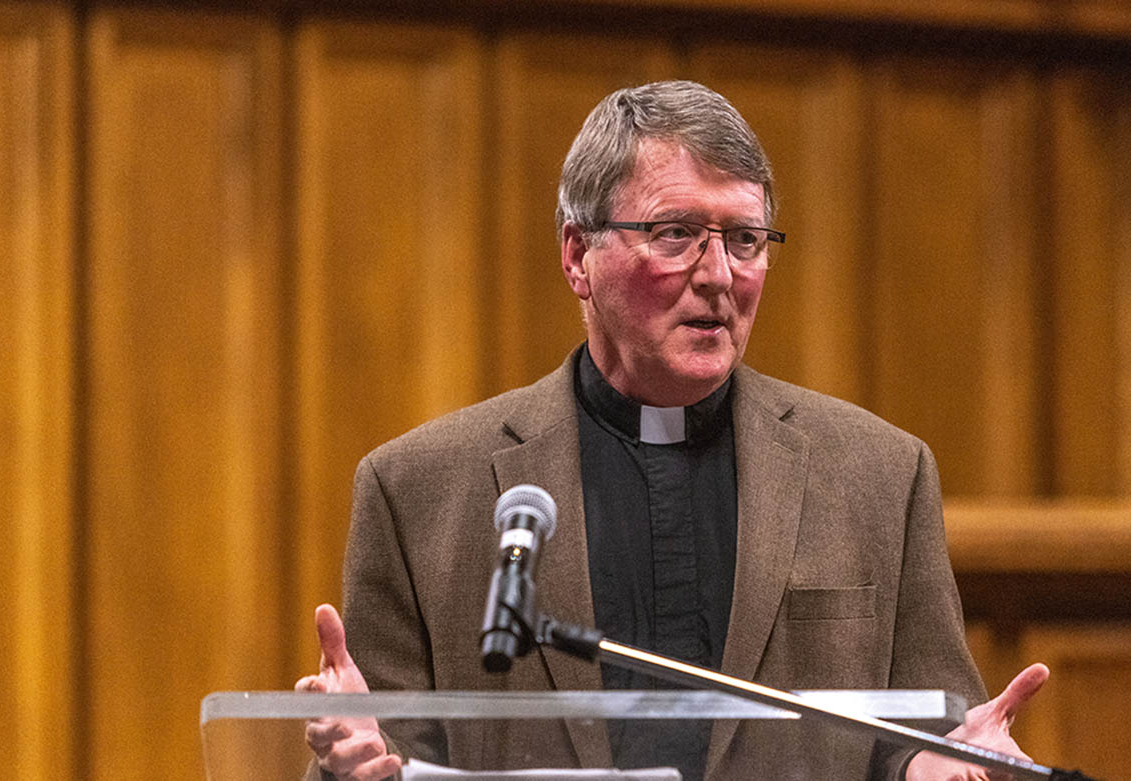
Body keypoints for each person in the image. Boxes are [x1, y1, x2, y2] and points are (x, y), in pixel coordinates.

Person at [297, 80, 1048, 780]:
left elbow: (933, 732)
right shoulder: (418, 489)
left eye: (745, 239)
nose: (719, 273)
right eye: (677, 232)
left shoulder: (881, 474)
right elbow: (376, 749)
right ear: (576, 256)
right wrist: (354, 761)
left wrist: (939, 762)